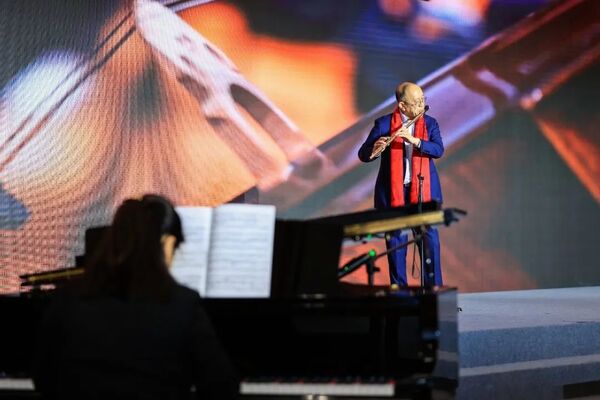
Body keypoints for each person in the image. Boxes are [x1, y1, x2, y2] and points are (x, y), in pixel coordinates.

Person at [33, 194, 239, 400]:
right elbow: (222, 387)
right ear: (167, 243)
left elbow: (43, 379)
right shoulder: (182, 304)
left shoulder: (68, 297)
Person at [358, 82, 444, 286]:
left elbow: (438, 150)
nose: (422, 105)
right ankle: (400, 295)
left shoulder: (430, 123)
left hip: (422, 192)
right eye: (417, 102)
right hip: (393, 194)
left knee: (430, 243)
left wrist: (415, 141)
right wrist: (375, 149)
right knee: (396, 245)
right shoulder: (384, 124)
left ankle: (434, 292)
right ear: (403, 106)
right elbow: (363, 154)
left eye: (423, 100)